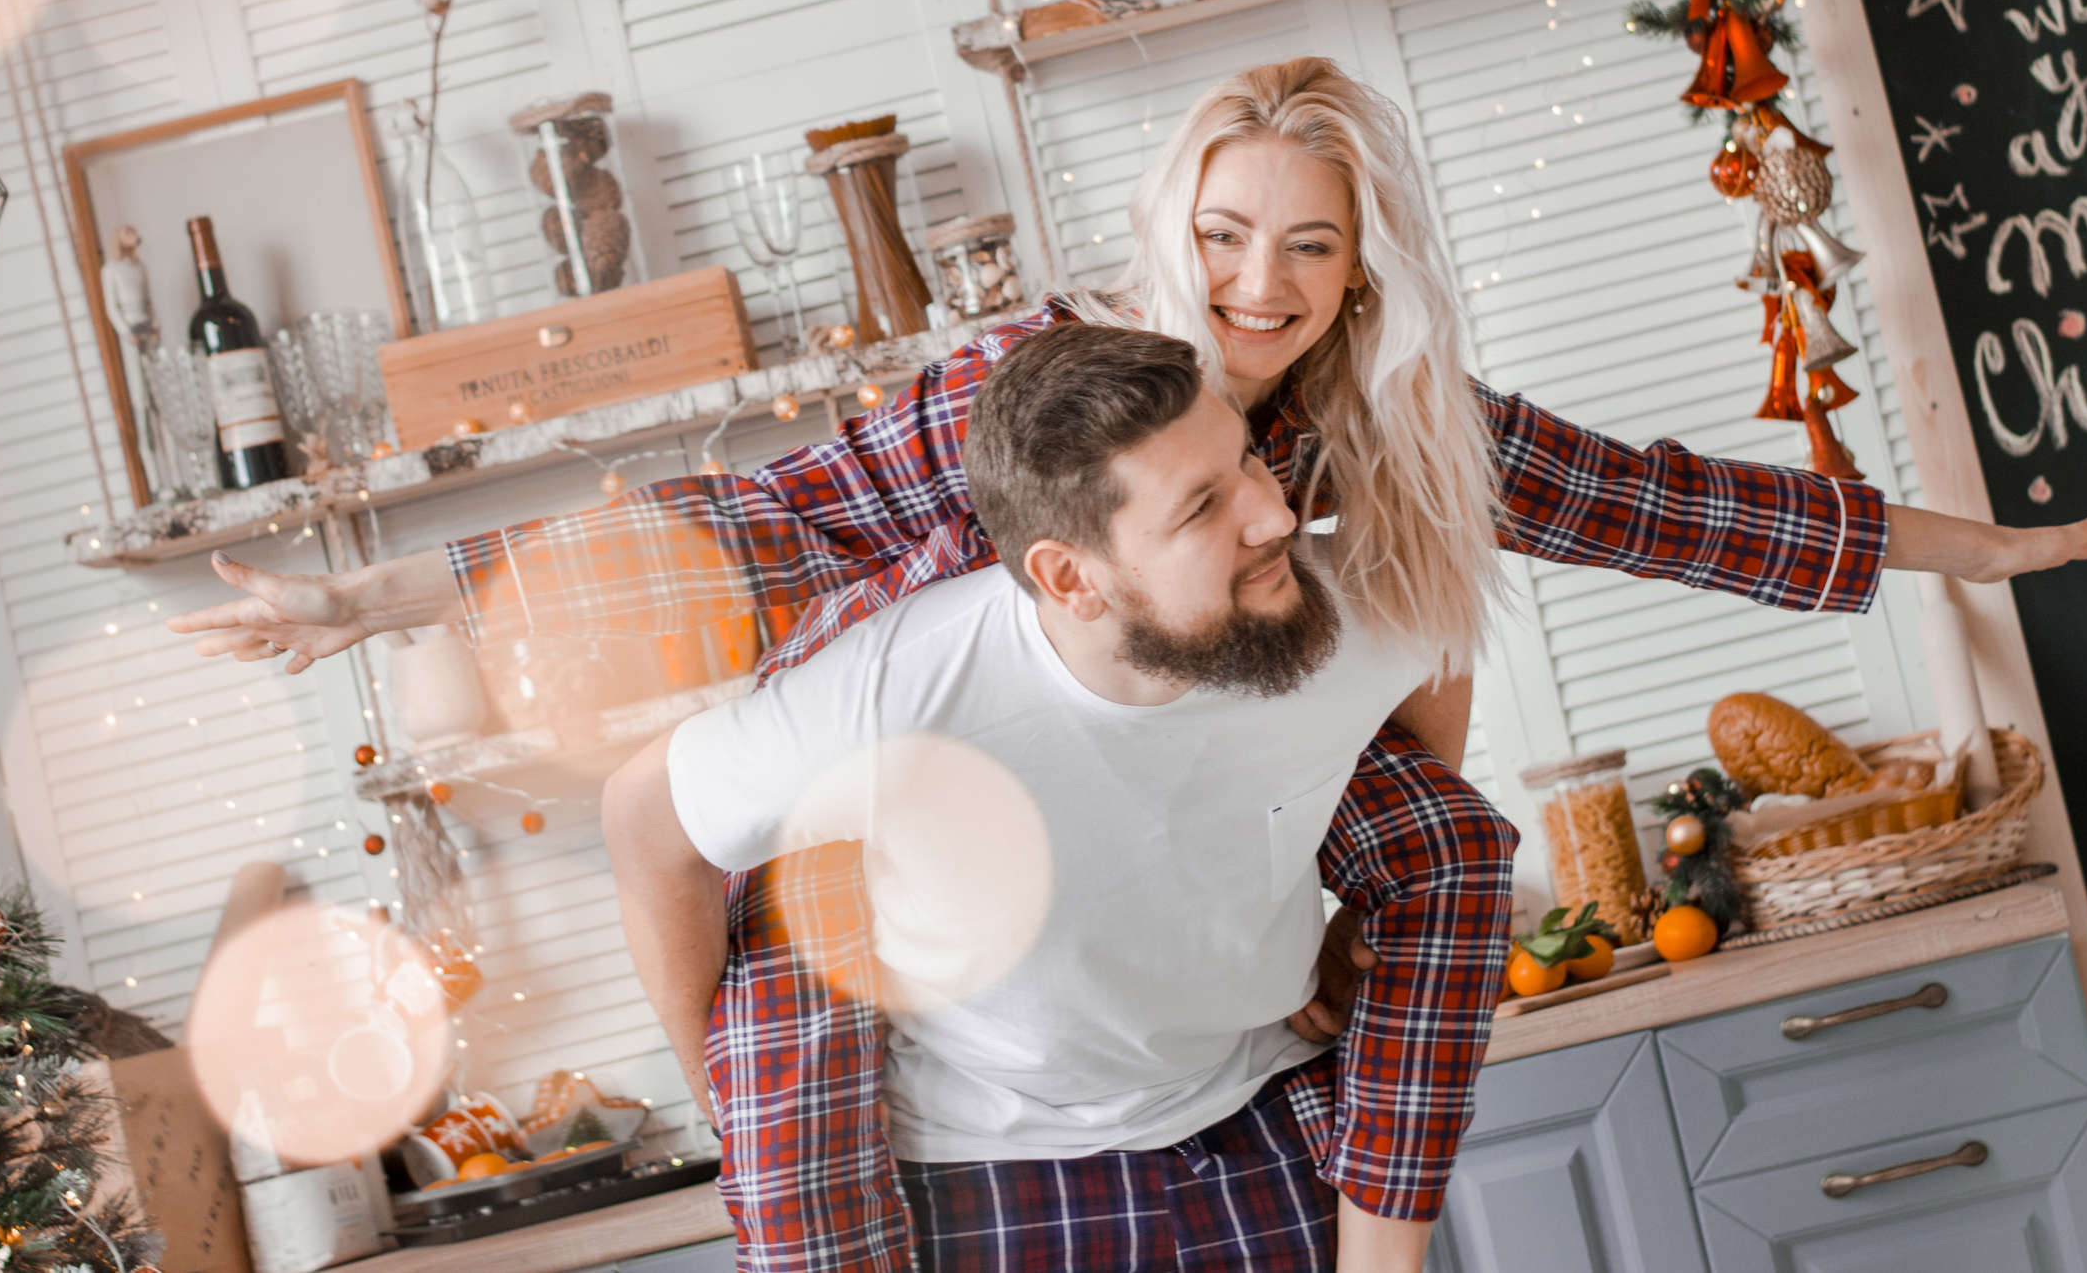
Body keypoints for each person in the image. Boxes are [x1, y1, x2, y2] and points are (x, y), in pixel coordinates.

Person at [171, 59, 2087, 1263]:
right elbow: (751, 521)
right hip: (916, 815)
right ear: (1171, 226)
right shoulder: (1049, 389)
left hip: (1217, 799)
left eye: (1307, 248)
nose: (1259, 286)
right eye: (1226, 233)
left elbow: (1679, 507)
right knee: (795, 1046)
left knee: (1436, 848)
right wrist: (381, 599)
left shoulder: (1406, 434)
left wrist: (1984, 547)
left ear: (1360, 266)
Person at [605, 323, 1458, 1269]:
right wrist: (720, 1094)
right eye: (1202, 506)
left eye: (1249, 460)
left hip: (1266, 1107)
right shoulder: (897, 691)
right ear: (1069, 576)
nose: (1275, 515)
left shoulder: (1339, 608)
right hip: (991, 1158)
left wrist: (1365, 915)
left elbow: (1442, 645)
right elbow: (645, 819)